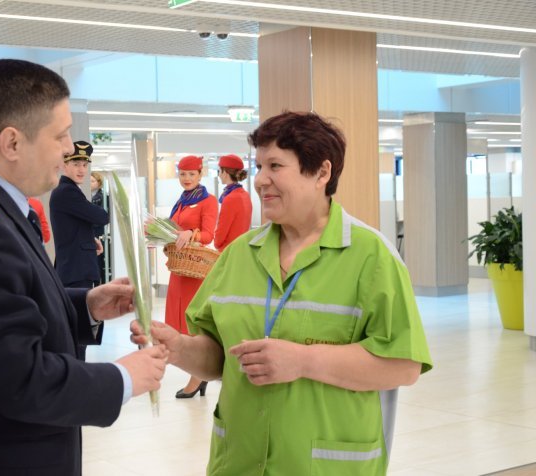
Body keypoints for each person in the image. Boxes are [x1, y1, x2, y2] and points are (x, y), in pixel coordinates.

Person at [133, 111, 432, 475]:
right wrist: (178, 347)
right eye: (258, 166)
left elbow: (403, 366)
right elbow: (219, 358)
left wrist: (303, 361)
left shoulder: (372, 258)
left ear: (322, 173)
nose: (260, 181)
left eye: (275, 165)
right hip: (238, 463)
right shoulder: (238, 256)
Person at [0, 59, 166, 476]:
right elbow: (20, 379)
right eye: (60, 135)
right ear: (12, 143)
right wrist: (122, 379)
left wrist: (85, 306)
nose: (68, 149)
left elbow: (2, 309)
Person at [164, 155, 218, 399]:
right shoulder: (182, 201)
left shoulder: (208, 201)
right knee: (178, 321)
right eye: (182, 174)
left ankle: (198, 376)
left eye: (191, 174)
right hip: (180, 270)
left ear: (200, 174)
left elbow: (208, 235)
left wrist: (190, 233)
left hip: (195, 271)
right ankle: (198, 375)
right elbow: (174, 230)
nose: (186, 179)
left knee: (192, 322)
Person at [49, 141, 109, 289]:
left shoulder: (68, 190)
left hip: (75, 270)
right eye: (76, 164)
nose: (81, 170)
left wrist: (90, 239)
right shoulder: (67, 192)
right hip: (76, 272)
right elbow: (102, 217)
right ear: (64, 165)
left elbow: (73, 225)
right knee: (80, 312)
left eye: (84, 165)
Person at [214, 154, 252, 252]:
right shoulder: (245, 195)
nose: (219, 175)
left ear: (225, 173)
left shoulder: (230, 198)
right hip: (241, 248)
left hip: (228, 251)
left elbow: (222, 231)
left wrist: (216, 243)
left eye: (219, 171)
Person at [91, 171, 109, 284]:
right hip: (91, 233)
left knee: (98, 263)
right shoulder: (86, 196)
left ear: (99, 183)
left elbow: (104, 217)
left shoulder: (103, 197)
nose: (90, 183)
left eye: (93, 181)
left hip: (99, 233)